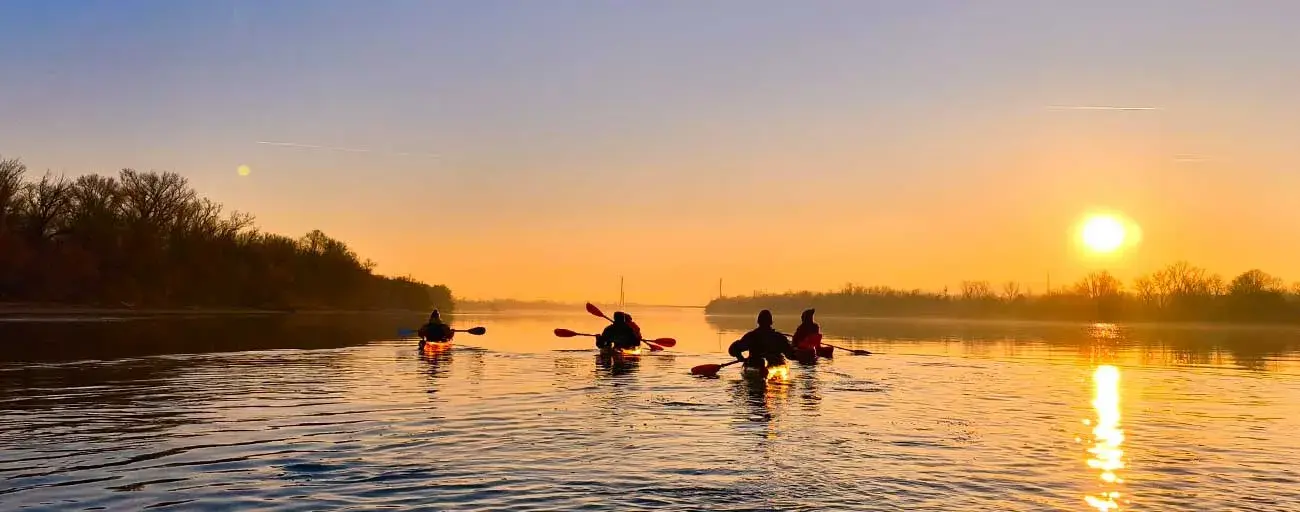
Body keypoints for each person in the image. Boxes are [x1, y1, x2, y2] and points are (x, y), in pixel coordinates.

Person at [728, 310, 796, 370]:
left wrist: (740, 357)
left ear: (758, 322)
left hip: (755, 366)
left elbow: (733, 349)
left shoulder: (751, 336)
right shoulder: (779, 337)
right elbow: (790, 355)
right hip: (775, 368)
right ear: (771, 322)